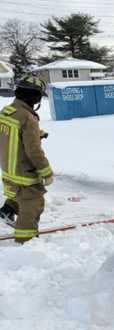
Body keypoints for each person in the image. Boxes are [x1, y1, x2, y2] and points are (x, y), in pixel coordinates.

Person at [0, 75, 54, 243]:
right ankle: (26, 243)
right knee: (32, 204)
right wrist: (47, 172)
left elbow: (12, 135)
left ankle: (6, 211)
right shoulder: (28, 118)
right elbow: (34, 151)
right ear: (35, 97)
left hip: (9, 169)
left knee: (18, 195)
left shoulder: (8, 112)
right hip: (24, 172)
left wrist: (36, 134)